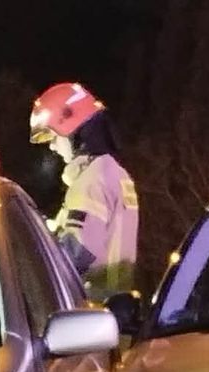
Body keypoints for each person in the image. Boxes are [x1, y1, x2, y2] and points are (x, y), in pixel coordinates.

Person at [29, 82, 139, 300]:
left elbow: (77, 252)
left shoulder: (91, 181)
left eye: (54, 137)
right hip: (115, 304)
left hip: (91, 305)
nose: (52, 147)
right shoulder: (115, 173)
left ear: (74, 133)